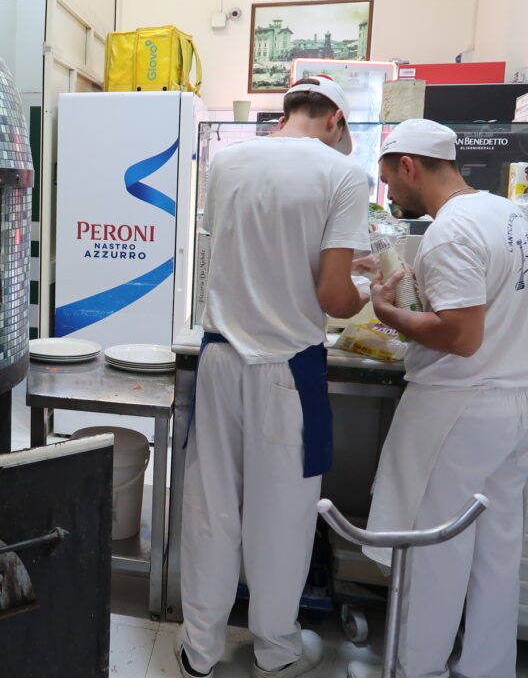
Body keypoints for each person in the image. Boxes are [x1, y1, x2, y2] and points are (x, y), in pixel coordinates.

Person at [176, 76, 371, 678]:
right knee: (282, 515)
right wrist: (369, 292)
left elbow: (245, 250)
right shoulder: (344, 174)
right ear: (336, 119)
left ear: (286, 111)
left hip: (219, 358)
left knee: (210, 507)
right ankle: (276, 651)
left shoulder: (228, 162)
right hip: (287, 368)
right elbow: (333, 296)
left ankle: (198, 651)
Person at [349, 119, 528, 678]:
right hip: (514, 404)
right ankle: (486, 669)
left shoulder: (452, 231)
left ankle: (416, 668)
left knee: (432, 552)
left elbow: (460, 336)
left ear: (409, 166)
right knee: (495, 555)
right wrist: (412, 283)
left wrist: (388, 313)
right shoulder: (504, 212)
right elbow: (482, 297)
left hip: (459, 409)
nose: (390, 192)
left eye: (390, 180)